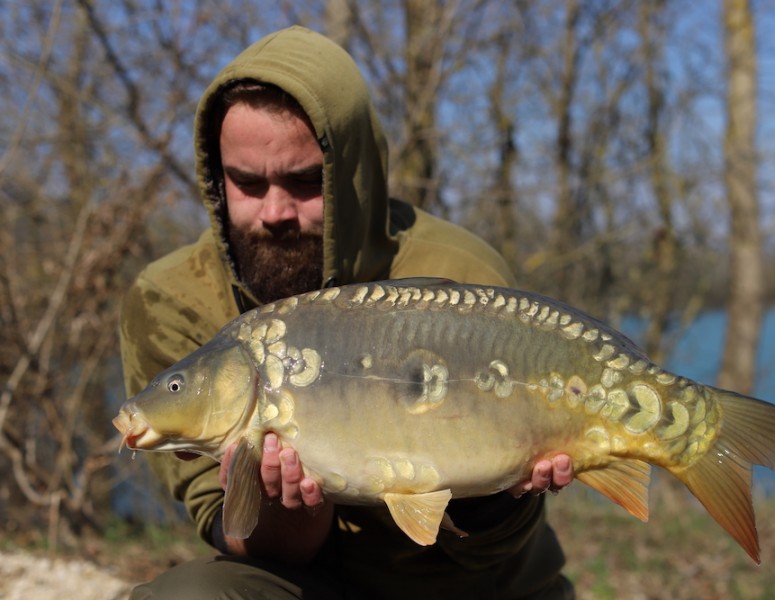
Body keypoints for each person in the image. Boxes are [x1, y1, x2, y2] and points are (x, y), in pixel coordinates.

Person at [120, 26, 575, 599]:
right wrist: (287, 508)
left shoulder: (458, 277)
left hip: (483, 589)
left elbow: (493, 551)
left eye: (306, 181)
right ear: (217, 179)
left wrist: (499, 491)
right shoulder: (170, 298)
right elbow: (225, 526)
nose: (276, 211)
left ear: (351, 173)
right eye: (247, 183)